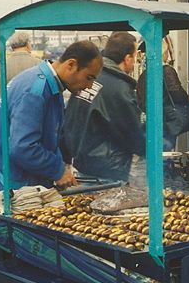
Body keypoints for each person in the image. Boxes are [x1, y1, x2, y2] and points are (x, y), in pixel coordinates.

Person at [0, 40, 103, 211]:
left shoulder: (44, 81)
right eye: (89, 77)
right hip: (11, 185)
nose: (89, 86)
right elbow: (24, 147)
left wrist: (62, 163)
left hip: (16, 176)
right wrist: (57, 170)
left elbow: (51, 134)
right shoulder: (35, 91)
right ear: (71, 64)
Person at [60, 31, 145, 183]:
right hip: (109, 170)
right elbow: (132, 133)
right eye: (135, 56)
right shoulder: (119, 87)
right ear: (127, 58)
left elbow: (68, 120)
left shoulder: (86, 79)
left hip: (81, 165)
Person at [137, 38, 189, 151]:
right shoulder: (167, 70)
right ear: (163, 53)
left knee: (157, 148)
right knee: (168, 147)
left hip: (152, 118)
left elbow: (140, 100)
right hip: (169, 118)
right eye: (166, 52)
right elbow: (176, 92)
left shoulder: (144, 74)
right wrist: (187, 99)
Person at [0, 31, 40, 111]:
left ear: (12, 47)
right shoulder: (39, 64)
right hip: (34, 111)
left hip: (10, 111)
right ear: (27, 44)